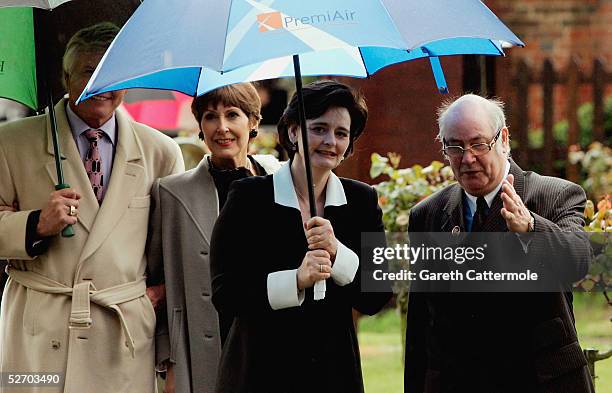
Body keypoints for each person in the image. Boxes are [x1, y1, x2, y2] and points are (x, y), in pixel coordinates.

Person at [0, 22, 184, 393]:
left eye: (111, 74)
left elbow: (174, 245)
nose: (101, 85)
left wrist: (158, 295)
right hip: (38, 334)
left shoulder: (161, 152)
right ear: (66, 76)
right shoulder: (11, 143)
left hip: (122, 336)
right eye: (88, 72)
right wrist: (35, 223)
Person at [209, 80, 391, 393]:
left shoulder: (361, 201)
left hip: (334, 374)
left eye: (341, 133)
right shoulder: (249, 197)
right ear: (293, 132)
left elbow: (377, 295)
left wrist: (337, 253)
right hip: (260, 371)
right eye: (319, 128)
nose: (330, 141)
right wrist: (295, 279)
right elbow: (226, 293)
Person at [404, 94, 594, 393]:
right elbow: (420, 326)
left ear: (503, 139)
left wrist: (531, 229)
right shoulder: (427, 215)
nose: (467, 158)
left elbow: (578, 262)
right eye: (455, 146)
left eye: (479, 144)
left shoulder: (555, 195)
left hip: (537, 379)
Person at [146, 83, 281, 393]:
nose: (222, 127)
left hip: (270, 338)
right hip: (199, 348)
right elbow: (159, 282)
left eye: (232, 115)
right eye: (210, 117)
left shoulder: (282, 184)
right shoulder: (170, 193)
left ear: (253, 123)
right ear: (200, 127)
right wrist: (169, 360)